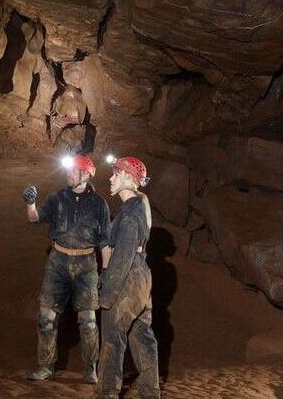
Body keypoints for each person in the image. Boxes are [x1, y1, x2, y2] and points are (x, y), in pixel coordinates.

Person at [22, 154, 110, 384]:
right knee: (45, 318)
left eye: (74, 171)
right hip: (58, 261)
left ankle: (90, 369)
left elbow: (104, 242)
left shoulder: (99, 204)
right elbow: (34, 218)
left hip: (86, 264)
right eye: (69, 171)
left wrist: (106, 273)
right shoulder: (57, 198)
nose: (68, 175)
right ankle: (45, 367)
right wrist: (30, 202)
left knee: (89, 321)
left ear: (86, 174)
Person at [96, 156, 160, 399]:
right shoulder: (132, 209)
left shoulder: (131, 213)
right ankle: (150, 393)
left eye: (116, 174)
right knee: (142, 337)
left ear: (130, 179)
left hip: (128, 276)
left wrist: (108, 294)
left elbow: (122, 255)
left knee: (112, 338)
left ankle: (106, 394)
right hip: (142, 276)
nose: (111, 178)